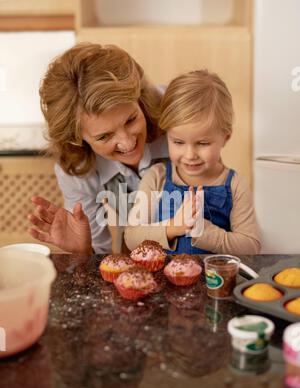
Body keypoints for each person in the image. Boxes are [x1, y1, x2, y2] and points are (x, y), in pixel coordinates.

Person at [28, 42, 168, 254]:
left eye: (131, 120)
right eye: (104, 136)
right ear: (77, 139)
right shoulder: (76, 164)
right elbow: (99, 256)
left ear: (139, 98)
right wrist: (84, 251)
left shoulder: (178, 113)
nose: (127, 143)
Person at [124, 70, 261, 254]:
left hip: (215, 281)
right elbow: (132, 237)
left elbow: (251, 247)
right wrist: (175, 227)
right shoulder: (157, 177)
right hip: (161, 281)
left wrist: (204, 232)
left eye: (203, 143)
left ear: (226, 137)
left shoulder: (236, 185)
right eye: (178, 142)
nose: (190, 155)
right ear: (167, 136)